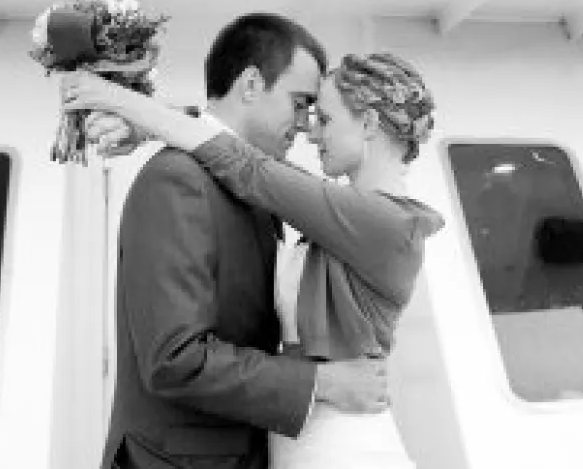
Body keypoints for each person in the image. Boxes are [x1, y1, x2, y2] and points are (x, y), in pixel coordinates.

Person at [63, 51, 444, 469]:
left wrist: (124, 102)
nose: (310, 134)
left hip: (340, 442)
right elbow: (249, 166)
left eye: (325, 120)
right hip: (297, 432)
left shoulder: (386, 223)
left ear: (369, 124)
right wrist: (150, 126)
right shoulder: (346, 213)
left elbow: (249, 169)